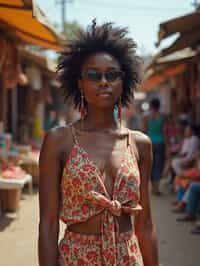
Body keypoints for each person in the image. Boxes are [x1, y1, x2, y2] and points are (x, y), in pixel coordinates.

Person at [38, 21, 159, 266]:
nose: (103, 81)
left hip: (127, 258)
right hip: (76, 258)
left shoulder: (139, 144)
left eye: (112, 74)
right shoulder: (59, 141)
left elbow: (145, 225)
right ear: (80, 82)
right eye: (93, 75)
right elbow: (48, 226)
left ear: (123, 81)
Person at [141, 98, 165, 195]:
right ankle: (157, 188)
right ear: (159, 106)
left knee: (150, 164)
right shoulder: (162, 117)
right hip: (160, 142)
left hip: (149, 142)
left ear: (151, 106)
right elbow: (164, 131)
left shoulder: (146, 117)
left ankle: (152, 188)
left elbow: (143, 130)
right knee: (159, 165)